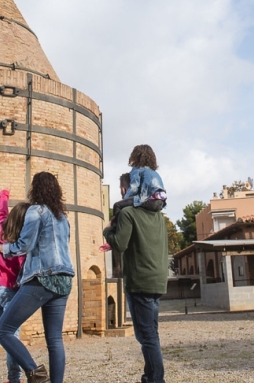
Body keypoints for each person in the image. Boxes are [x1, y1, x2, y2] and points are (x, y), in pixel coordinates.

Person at [0, 172, 75, 383]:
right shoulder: (62, 217)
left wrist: (0, 248)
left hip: (42, 279)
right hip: (65, 280)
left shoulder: (35, 211)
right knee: (55, 340)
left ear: (35, 189)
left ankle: (35, 374)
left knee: (2, 330)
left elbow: (23, 246)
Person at [103, 146, 169, 383]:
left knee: (146, 335)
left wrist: (107, 231)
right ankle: (149, 375)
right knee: (151, 333)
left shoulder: (128, 213)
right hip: (158, 279)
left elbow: (120, 244)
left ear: (127, 187)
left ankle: (156, 379)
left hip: (139, 280)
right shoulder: (158, 215)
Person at [0, 190, 29, 383]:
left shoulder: (1, 227)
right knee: (11, 335)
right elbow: (23, 267)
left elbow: (1, 212)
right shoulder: (20, 241)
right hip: (10, 289)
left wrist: (4, 196)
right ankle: (13, 378)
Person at [112, 144, 167, 216]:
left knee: (117, 206)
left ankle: (115, 225)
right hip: (160, 202)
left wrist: (125, 200)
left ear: (136, 157)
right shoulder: (155, 173)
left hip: (149, 200)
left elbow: (133, 187)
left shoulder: (138, 169)